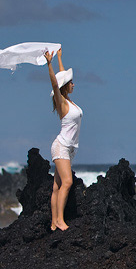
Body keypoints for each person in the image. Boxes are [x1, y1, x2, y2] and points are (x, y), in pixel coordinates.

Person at [44, 48, 82, 231]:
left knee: (58, 186)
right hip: (62, 147)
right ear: (66, 86)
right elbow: (55, 83)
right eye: (71, 83)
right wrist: (49, 63)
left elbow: (61, 77)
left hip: (69, 148)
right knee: (67, 182)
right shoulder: (62, 103)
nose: (74, 85)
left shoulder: (70, 101)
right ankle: (59, 220)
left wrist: (60, 58)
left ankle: (53, 222)